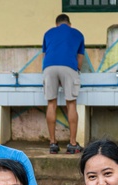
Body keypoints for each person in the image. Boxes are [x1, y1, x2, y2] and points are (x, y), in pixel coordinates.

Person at [41, 13, 86, 154]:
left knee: (51, 103)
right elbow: (80, 57)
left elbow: (44, 55)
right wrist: (75, 70)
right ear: (69, 24)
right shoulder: (77, 33)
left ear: (57, 24)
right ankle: (72, 144)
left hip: (49, 67)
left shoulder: (48, 33)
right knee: (71, 103)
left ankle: (53, 144)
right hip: (69, 66)